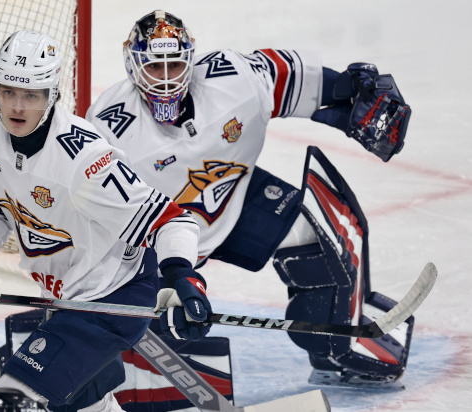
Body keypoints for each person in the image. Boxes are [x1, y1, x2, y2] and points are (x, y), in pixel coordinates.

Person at [86, 10, 413, 388]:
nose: (165, 79)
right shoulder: (107, 128)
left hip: (233, 195)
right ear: (132, 65)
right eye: (153, 67)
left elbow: (309, 83)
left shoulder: (235, 78)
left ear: (190, 59)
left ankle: (332, 355)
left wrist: (354, 92)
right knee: (168, 323)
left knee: (326, 249)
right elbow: (97, 222)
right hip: (158, 235)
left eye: (173, 64)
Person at [0, 30, 212, 412]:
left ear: (52, 94)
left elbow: (172, 221)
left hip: (110, 298)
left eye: (32, 95)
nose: (17, 107)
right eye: (8, 92)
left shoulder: (85, 161)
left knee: (8, 401)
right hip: (62, 293)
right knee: (84, 404)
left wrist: (182, 276)